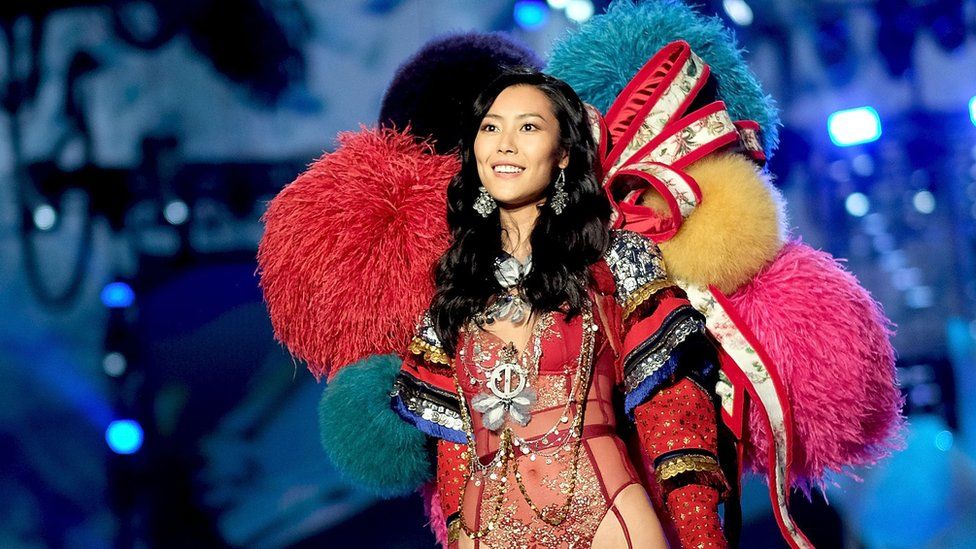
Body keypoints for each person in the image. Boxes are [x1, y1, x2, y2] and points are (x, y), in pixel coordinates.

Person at [390, 67, 729, 548]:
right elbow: (455, 451)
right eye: (491, 127)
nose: (505, 144)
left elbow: (671, 414)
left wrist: (700, 537)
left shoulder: (616, 260)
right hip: (488, 533)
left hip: (607, 520)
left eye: (528, 127)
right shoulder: (453, 293)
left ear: (564, 154)